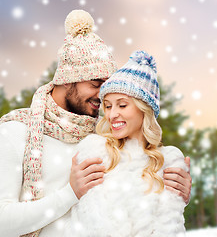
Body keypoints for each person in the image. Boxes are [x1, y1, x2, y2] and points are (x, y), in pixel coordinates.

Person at [0, 10, 192, 237]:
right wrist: (70, 193)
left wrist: (175, 194)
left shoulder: (106, 135)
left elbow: (137, 196)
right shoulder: (16, 130)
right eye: (95, 83)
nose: (102, 97)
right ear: (66, 80)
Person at [66, 50, 187, 236]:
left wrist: (180, 197)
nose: (112, 114)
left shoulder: (167, 162)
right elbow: (84, 224)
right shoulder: (95, 153)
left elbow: (170, 227)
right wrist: (70, 191)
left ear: (144, 110)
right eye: (107, 105)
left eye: (122, 105)